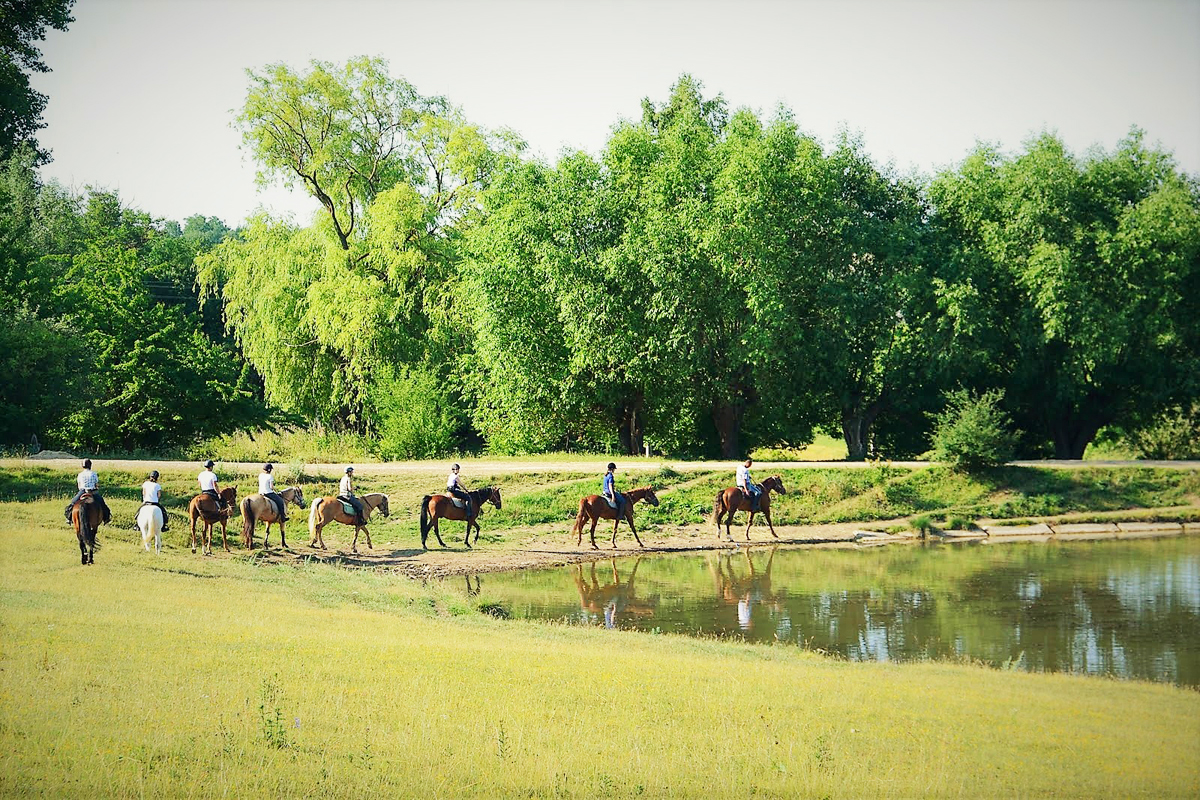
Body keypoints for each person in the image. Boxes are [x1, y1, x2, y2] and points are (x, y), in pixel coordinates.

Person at [65, 458, 111, 525]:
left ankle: (69, 518)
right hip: (92, 492)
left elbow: (79, 486)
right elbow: (96, 485)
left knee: (72, 503)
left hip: (82, 491)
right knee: (102, 504)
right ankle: (106, 518)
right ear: (90, 465)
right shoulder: (94, 474)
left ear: (82, 466)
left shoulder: (80, 474)